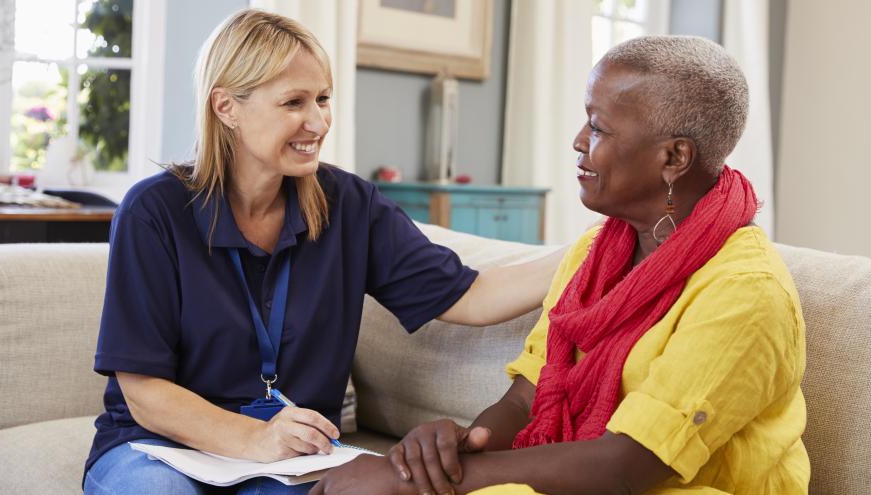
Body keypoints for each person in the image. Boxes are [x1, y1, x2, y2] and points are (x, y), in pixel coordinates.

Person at [83, 9, 566, 495]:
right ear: (226, 107)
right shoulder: (154, 211)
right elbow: (144, 393)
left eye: (323, 98)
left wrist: (592, 247)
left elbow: (472, 295)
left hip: (289, 460)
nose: (317, 121)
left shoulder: (350, 205)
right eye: (294, 102)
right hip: (159, 447)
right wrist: (256, 437)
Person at [312, 35, 809, 495]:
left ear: (674, 157)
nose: (577, 140)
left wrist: (416, 481)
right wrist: (457, 448)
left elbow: (629, 464)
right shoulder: (595, 252)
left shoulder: (746, 291)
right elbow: (525, 401)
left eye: (598, 126)